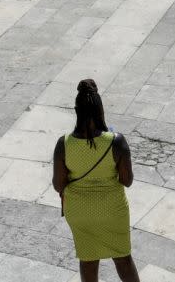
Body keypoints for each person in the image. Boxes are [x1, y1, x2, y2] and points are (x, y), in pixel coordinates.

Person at [53, 79, 140, 282]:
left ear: (77, 111)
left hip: (80, 211)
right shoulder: (116, 141)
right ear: (100, 109)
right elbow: (127, 181)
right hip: (112, 210)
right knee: (123, 259)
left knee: (88, 260)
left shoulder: (64, 144)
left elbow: (58, 184)